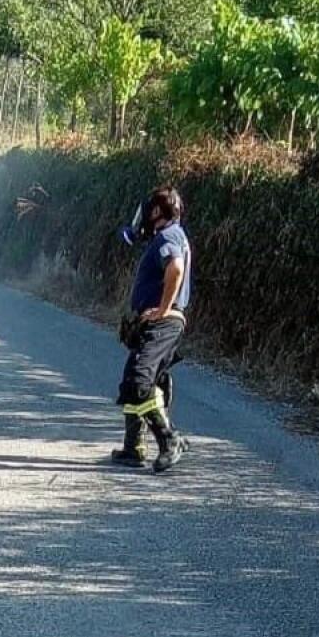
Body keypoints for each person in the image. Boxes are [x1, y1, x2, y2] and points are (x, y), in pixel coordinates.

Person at [110, 186, 192, 473]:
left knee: (139, 379)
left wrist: (162, 309)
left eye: (148, 210)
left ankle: (169, 439)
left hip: (163, 322)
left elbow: (176, 269)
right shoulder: (170, 235)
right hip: (159, 322)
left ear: (156, 211)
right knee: (136, 382)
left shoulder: (168, 236)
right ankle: (133, 448)